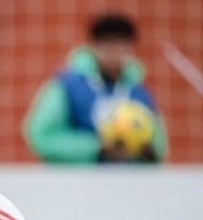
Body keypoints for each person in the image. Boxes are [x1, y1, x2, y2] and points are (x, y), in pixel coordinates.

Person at [24, 12, 168, 163]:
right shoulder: (67, 85)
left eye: (122, 46)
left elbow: (160, 148)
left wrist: (142, 151)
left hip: (129, 181)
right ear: (93, 46)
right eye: (108, 45)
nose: (115, 53)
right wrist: (96, 147)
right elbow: (42, 137)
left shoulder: (139, 92)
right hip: (77, 181)